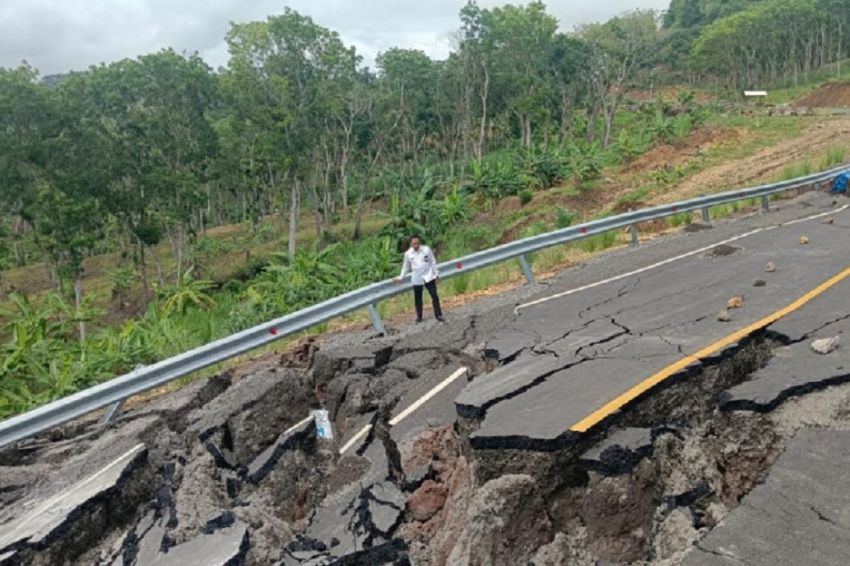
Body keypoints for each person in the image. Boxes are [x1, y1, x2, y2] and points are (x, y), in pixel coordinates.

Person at [393, 235, 444, 322]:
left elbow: (433, 261)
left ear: (420, 243)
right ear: (411, 244)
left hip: (428, 275)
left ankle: (438, 314)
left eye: (417, 243)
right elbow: (406, 267)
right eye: (414, 244)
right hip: (417, 278)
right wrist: (401, 277)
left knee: (434, 295)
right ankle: (419, 316)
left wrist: (436, 274)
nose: (416, 245)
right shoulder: (408, 254)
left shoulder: (426, 250)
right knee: (418, 298)